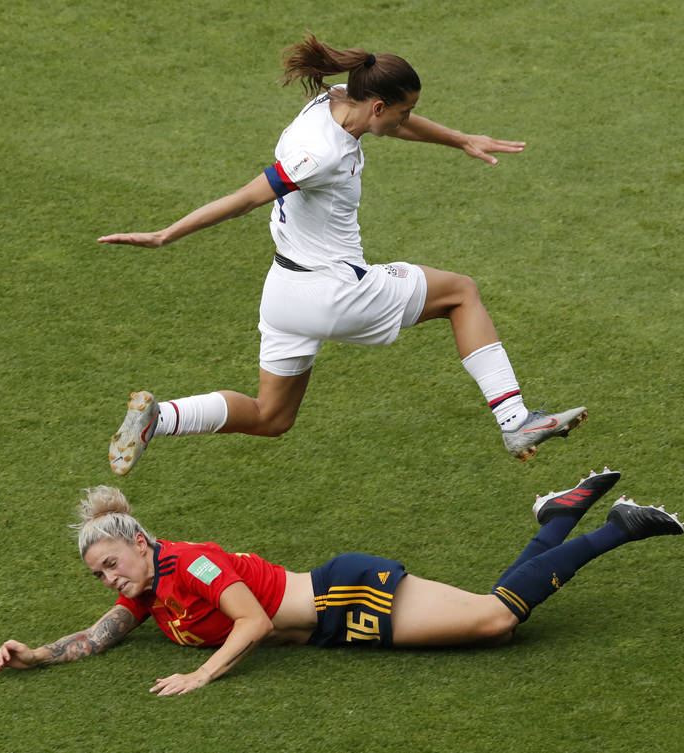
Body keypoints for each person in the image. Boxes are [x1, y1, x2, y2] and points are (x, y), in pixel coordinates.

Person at [98, 34, 587, 476]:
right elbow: (246, 198)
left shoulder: (333, 100)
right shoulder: (322, 155)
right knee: (461, 292)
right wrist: (166, 235)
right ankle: (515, 419)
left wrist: (461, 140)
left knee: (272, 417)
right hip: (332, 291)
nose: (406, 119)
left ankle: (160, 419)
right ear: (377, 106)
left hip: (284, 293)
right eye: (402, 110)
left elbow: (399, 128)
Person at [0, 468, 684, 696]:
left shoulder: (191, 562)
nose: (110, 578)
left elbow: (254, 622)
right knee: (488, 617)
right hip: (334, 624)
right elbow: (99, 634)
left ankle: (616, 526)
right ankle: (557, 515)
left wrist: (201, 676)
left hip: (344, 596)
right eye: (100, 573)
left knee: (498, 619)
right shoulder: (145, 592)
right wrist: (39, 654)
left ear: (139, 541)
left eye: (113, 562)